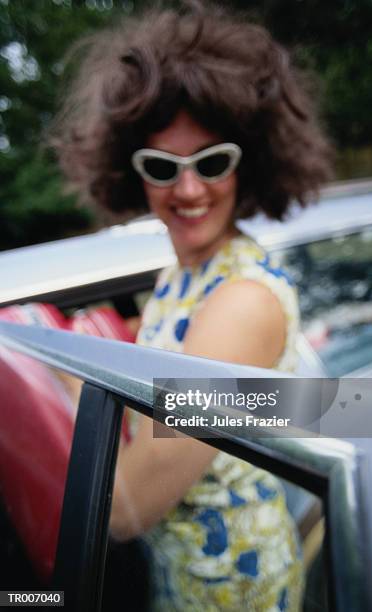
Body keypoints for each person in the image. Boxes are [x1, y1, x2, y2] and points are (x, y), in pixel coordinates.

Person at [50, 1, 332, 609]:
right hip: (184, 571)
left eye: (211, 162)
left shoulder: (241, 303)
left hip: (233, 585)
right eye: (161, 166)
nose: (188, 189)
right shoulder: (184, 270)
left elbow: (124, 506)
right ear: (133, 171)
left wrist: (68, 379)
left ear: (249, 161)